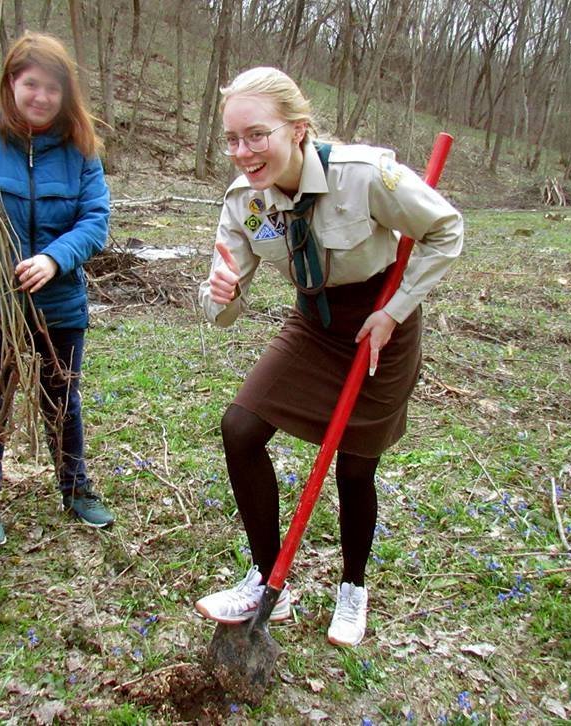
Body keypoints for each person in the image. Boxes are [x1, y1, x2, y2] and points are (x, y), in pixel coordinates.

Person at [194, 67, 463, 646]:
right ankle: (268, 580)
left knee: (356, 467)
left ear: (297, 129)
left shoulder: (361, 175)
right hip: (314, 325)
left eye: (256, 134)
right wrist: (222, 294)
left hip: (380, 324)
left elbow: (445, 228)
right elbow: (223, 307)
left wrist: (395, 311)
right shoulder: (247, 202)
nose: (243, 152)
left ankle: (353, 587)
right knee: (240, 427)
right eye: (232, 139)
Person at [0, 32, 114, 547]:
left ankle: (75, 488)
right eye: (31, 84)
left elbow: (95, 221)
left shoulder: (80, 151)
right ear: (11, 84)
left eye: (53, 88)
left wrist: (54, 258)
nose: (41, 97)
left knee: (62, 399)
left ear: (66, 94)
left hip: (59, 303)